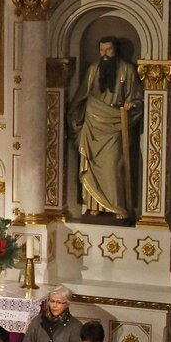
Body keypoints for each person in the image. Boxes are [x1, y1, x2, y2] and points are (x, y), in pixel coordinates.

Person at [67, 36, 143, 220]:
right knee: (91, 165)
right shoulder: (94, 69)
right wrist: (77, 116)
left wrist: (130, 105)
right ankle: (95, 205)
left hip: (115, 125)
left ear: (115, 50)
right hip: (93, 125)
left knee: (113, 166)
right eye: (101, 51)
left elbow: (137, 98)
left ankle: (117, 205)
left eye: (108, 50)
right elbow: (81, 95)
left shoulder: (127, 70)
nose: (104, 55)